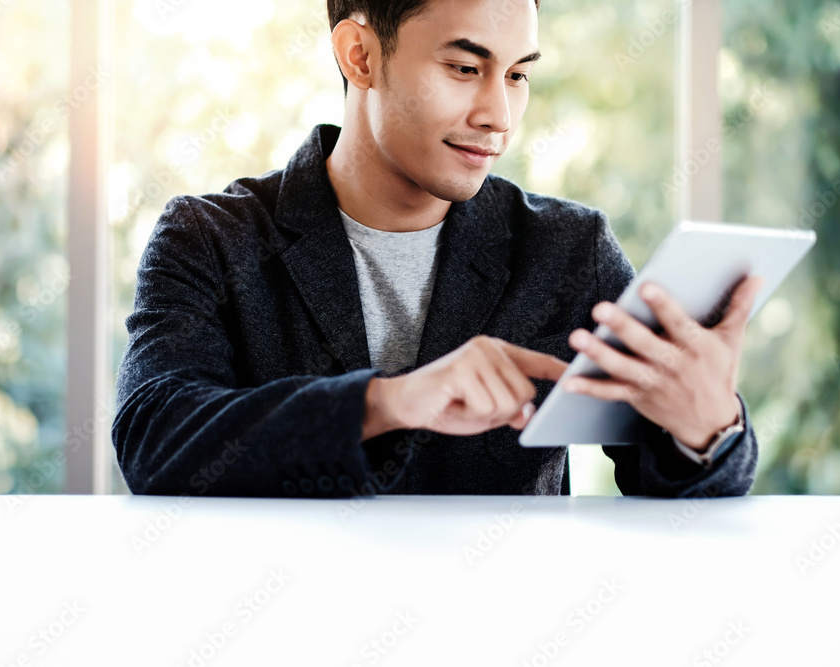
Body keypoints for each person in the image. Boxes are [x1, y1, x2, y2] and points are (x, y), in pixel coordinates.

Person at [112, 0, 763, 499]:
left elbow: (679, 489)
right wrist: (389, 401)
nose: (499, 115)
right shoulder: (211, 239)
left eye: (516, 76)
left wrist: (709, 428)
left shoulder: (567, 250)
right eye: (464, 68)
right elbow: (154, 437)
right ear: (360, 55)